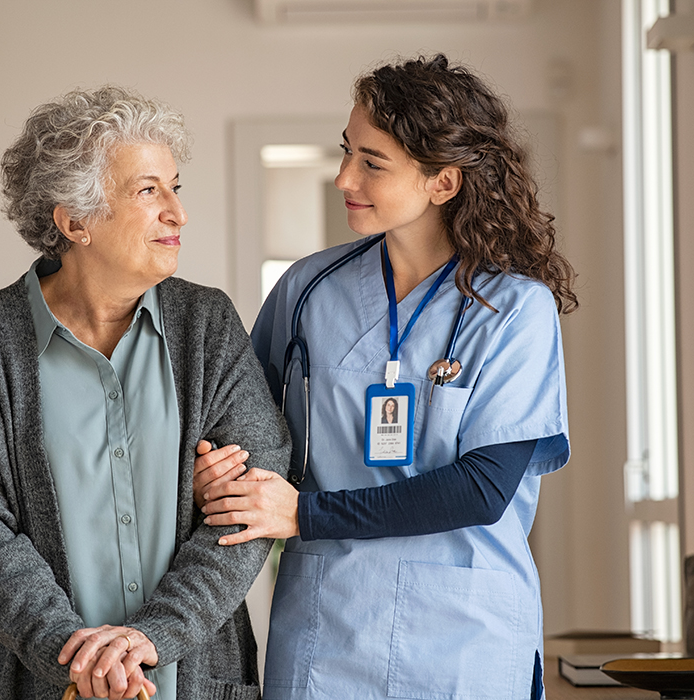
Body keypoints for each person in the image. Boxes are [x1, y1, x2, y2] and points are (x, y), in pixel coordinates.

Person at [195, 54, 576, 699]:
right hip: (327, 629)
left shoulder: (514, 310)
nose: (343, 176)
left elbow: (482, 489)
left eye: (373, 163)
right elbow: (242, 426)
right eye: (347, 152)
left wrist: (303, 515)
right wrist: (219, 469)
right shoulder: (307, 290)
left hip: (465, 638)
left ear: (443, 183)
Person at [0, 86, 290, 700]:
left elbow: (252, 501)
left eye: (176, 187)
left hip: (191, 680)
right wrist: (77, 658)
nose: (177, 212)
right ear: (74, 221)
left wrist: (153, 637)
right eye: (149, 191)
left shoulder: (207, 324)